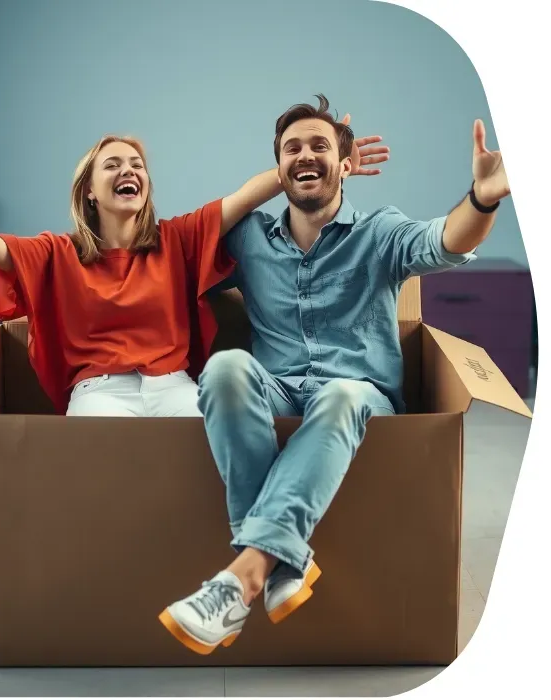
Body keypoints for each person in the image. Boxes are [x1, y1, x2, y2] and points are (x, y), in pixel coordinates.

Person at [159, 94, 510, 655]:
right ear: (275, 169)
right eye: (291, 149)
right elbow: (173, 247)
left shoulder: (381, 231)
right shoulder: (249, 238)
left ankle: (242, 577)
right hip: (273, 393)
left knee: (342, 394)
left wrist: (483, 200)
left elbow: (446, 241)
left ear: (346, 165)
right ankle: (278, 567)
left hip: (358, 398)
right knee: (225, 367)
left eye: (321, 146)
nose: (306, 156)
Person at [0, 128, 389, 417]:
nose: (128, 170)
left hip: (174, 387)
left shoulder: (177, 239)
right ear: (89, 189)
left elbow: (251, 193)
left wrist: (325, 161)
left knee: (210, 453)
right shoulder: (56, 253)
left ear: (146, 185)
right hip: (98, 392)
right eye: (112, 165)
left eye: (136, 164)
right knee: (104, 470)